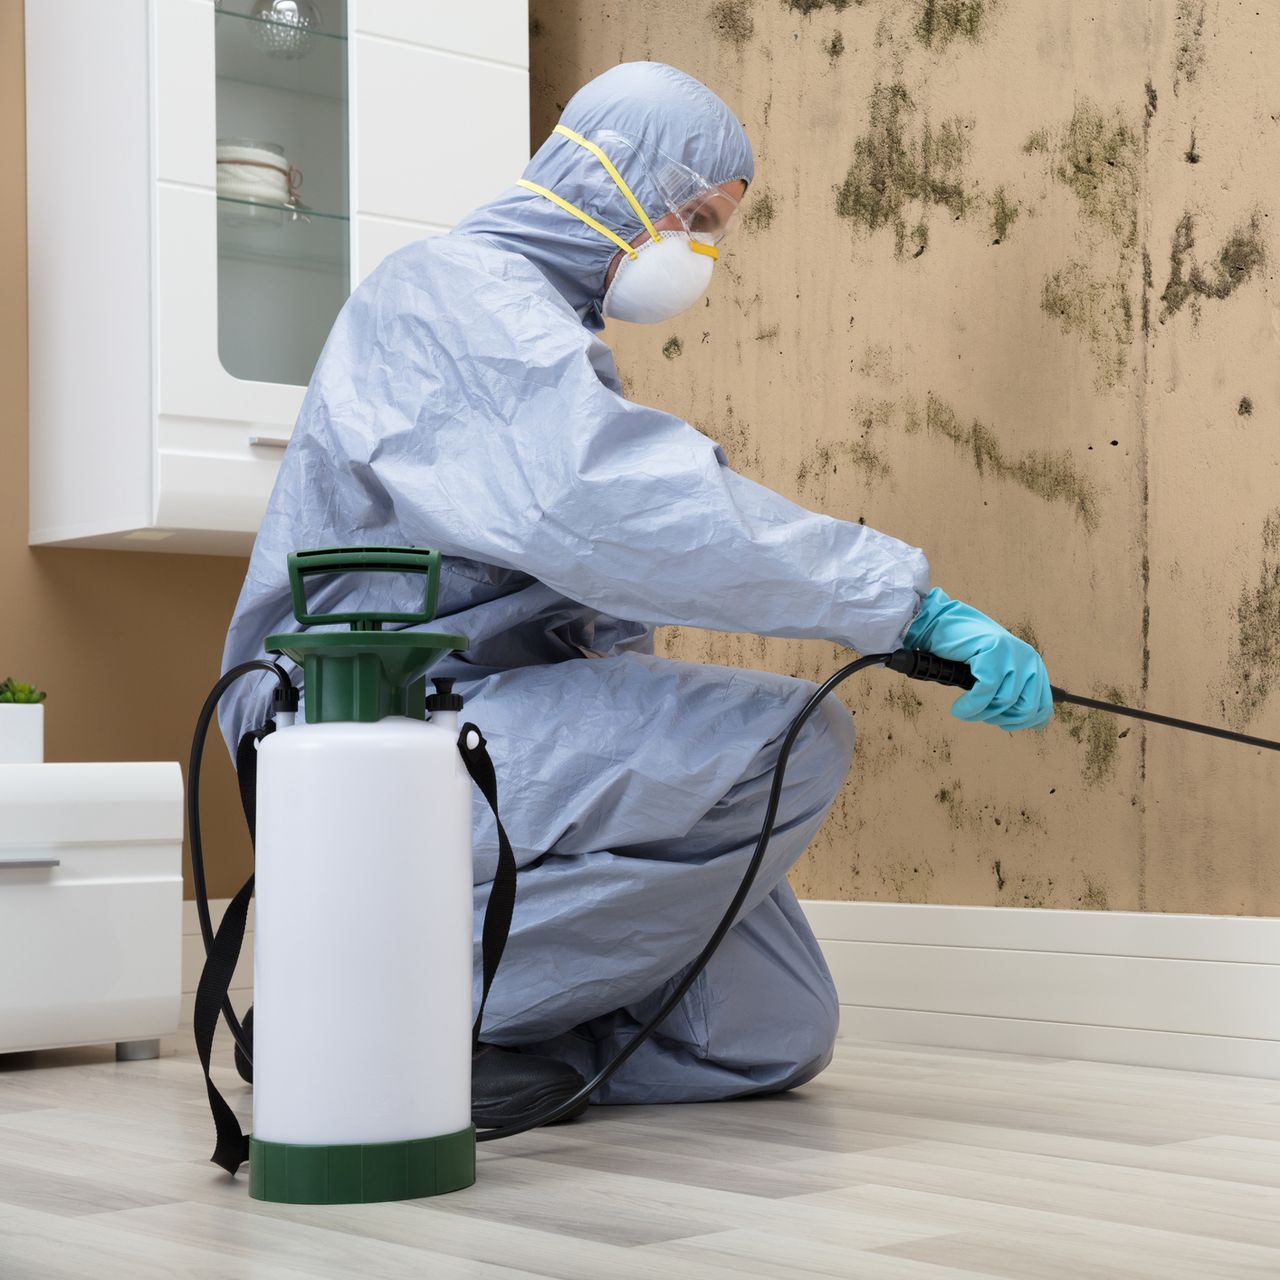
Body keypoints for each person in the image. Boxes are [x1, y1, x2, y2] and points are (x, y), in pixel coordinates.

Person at [219, 62, 1052, 1126]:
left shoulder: (546, 334)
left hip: (492, 727)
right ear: (609, 174)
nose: (699, 251)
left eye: (715, 229)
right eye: (694, 215)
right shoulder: (447, 293)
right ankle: (357, 1021)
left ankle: (508, 1029)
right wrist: (900, 601)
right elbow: (597, 503)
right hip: (369, 729)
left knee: (766, 1028)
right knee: (795, 738)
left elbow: (590, 584)